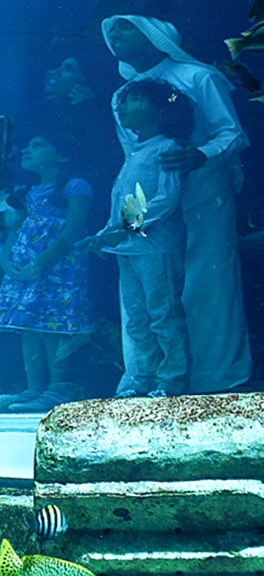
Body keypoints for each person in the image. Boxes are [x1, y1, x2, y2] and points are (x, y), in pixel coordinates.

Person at [101, 15, 252, 393]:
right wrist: (125, 222)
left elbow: (232, 135)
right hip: (151, 211)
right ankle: (145, 378)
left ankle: (214, 378)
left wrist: (200, 155)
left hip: (205, 194)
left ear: (154, 34)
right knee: (144, 298)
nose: (115, 34)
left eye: (125, 27)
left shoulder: (199, 77)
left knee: (207, 283)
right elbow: (134, 159)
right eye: (112, 30)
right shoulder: (122, 96)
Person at [82, 79, 193, 398]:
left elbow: (166, 199)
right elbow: (123, 203)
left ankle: (172, 382)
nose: (125, 106)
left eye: (135, 100)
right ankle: (144, 379)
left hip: (156, 248)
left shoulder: (167, 147)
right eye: (124, 100)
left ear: (160, 110)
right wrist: (104, 235)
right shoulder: (134, 152)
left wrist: (126, 228)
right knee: (137, 318)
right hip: (129, 250)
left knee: (164, 314)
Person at [0, 129, 94, 412]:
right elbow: (15, 228)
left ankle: (58, 388)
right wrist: (6, 261)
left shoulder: (76, 186)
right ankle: (33, 388)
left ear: (62, 155)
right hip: (25, 272)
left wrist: (42, 262)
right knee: (28, 326)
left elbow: (75, 229)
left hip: (58, 270)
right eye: (27, 145)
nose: (27, 150)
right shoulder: (26, 192)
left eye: (38, 144)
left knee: (52, 326)